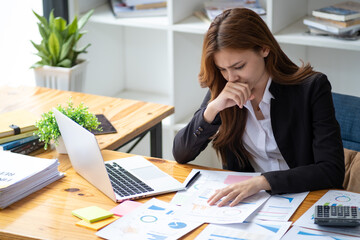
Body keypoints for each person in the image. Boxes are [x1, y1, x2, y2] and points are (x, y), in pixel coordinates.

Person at [172, 8, 345, 207]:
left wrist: (262, 182)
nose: (231, 77)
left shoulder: (311, 88)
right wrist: (212, 109)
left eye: (239, 66)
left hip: (304, 199)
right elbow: (181, 154)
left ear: (264, 48)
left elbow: (331, 170)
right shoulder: (224, 88)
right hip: (252, 205)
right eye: (222, 69)